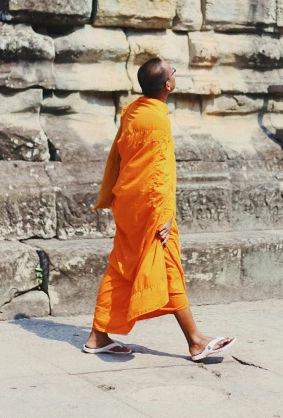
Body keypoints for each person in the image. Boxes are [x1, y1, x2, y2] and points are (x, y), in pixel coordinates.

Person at [83, 57, 236, 361]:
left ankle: (98, 335)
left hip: (128, 202)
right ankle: (194, 341)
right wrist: (165, 214)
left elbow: (118, 158)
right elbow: (160, 172)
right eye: (173, 72)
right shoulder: (157, 120)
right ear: (168, 85)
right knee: (167, 266)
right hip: (151, 207)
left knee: (122, 266)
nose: (175, 75)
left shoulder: (132, 113)